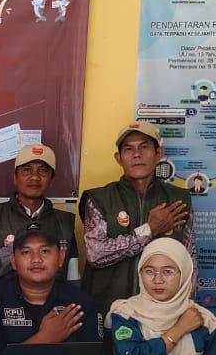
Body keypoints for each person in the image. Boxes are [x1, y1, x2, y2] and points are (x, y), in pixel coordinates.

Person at [80, 121, 195, 317]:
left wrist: (187, 310)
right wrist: (150, 229)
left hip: (162, 315)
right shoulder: (99, 199)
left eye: (144, 147)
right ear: (118, 158)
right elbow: (95, 254)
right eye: (129, 149)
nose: (137, 154)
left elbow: (190, 260)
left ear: (158, 153)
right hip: (109, 310)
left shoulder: (178, 199)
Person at [0, 223, 101, 355]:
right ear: (13, 261)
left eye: (45, 251)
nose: (36, 259)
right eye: (26, 252)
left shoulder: (80, 303)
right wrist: (44, 339)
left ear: (61, 257)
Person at [108, 237, 216, 355]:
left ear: (184, 274)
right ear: (140, 273)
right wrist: (178, 330)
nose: (158, 280)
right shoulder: (126, 313)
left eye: (168, 271)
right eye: (149, 271)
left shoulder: (204, 320)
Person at [0, 143, 79, 288]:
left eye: (43, 170)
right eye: (27, 170)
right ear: (15, 177)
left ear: (52, 180)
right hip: (0, 301)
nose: (35, 177)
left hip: (53, 301)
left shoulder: (65, 222)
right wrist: (17, 249)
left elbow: (73, 279)